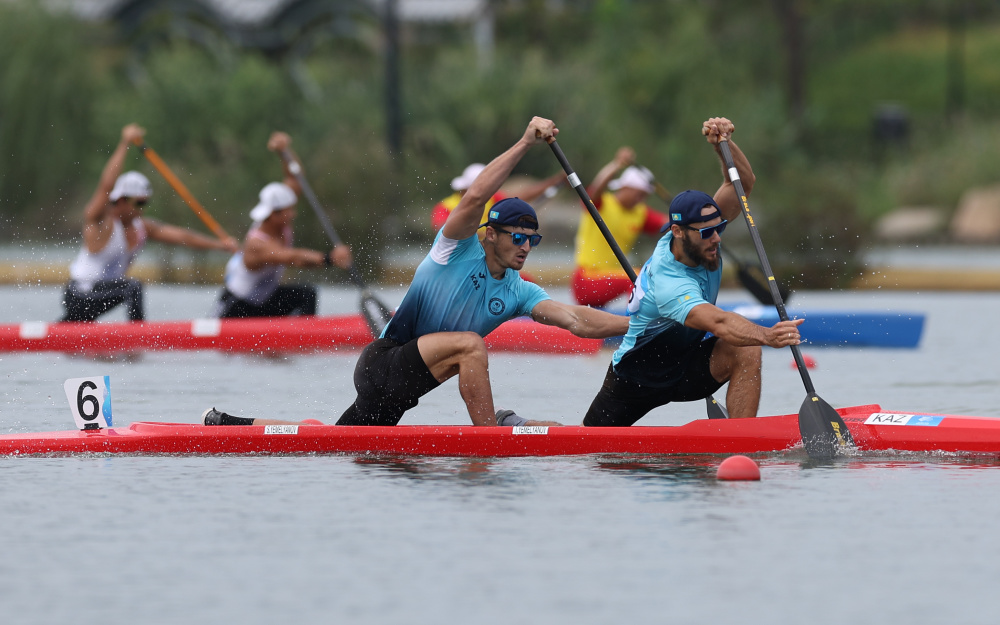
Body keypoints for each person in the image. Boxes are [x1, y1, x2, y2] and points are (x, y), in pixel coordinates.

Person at [204, 117, 628, 428]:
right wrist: (524, 142)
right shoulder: (454, 248)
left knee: (326, 436)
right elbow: (475, 196)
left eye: (532, 240)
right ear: (489, 235)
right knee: (471, 345)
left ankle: (228, 423)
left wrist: (643, 322)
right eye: (517, 237)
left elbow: (576, 319)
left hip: (405, 393)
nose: (525, 247)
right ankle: (490, 437)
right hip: (382, 363)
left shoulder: (519, 292)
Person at [583, 117, 804, 426]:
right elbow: (718, 321)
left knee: (746, 349)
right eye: (706, 233)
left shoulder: (703, 234)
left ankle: (741, 440)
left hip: (686, 368)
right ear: (678, 232)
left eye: (719, 229)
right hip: (634, 381)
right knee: (589, 444)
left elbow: (741, 184)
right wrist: (768, 335)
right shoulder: (668, 280)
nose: (716, 239)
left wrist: (723, 145)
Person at [61, 123, 238, 323]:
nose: (142, 209)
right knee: (133, 287)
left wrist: (220, 245)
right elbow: (106, 185)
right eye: (139, 203)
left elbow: (183, 237)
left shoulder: (142, 227)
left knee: (76, 323)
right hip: (79, 293)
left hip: (104, 294)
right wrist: (124, 144)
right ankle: (140, 338)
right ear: (121, 200)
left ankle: (56, 331)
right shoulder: (101, 221)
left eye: (145, 202)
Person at [215, 132, 353, 319]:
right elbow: (293, 258)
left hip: (264, 299)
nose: (293, 214)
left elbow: (295, 178)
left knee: (307, 294)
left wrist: (284, 152)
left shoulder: (280, 216)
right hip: (238, 306)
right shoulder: (257, 244)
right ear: (274, 214)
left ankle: (304, 334)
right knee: (303, 292)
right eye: (289, 211)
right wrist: (329, 258)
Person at [570, 147, 668, 308]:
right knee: (638, 276)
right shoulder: (601, 204)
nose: (641, 199)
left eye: (645, 196)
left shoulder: (640, 213)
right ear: (625, 187)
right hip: (586, 280)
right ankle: (641, 320)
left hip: (609, 279)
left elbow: (670, 223)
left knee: (646, 274)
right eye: (639, 194)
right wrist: (617, 164)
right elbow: (596, 187)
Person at [430, 162, 566, 232]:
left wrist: (556, 180)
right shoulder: (444, 207)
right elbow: (441, 232)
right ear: (465, 189)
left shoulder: (492, 198)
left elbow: (521, 197)